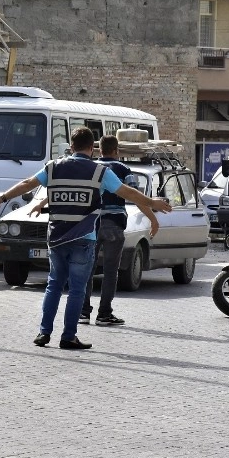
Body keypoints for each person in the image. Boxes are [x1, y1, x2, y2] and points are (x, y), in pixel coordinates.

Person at [0, 127, 172, 350]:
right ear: (92, 148)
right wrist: (153, 203)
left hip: (56, 237)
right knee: (77, 289)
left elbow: (27, 184)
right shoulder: (99, 172)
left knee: (53, 286)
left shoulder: (53, 167)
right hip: (83, 237)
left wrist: (0, 199)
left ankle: (44, 332)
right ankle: (68, 336)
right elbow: (126, 192)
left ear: (71, 147)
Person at [81, 135, 160, 326]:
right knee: (110, 271)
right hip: (114, 225)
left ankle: (82, 312)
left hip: (91, 224)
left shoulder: (91, 168)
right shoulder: (124, 170)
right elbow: (136, 198)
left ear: (99, 150)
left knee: (86, 270)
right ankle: (104, 314)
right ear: (116, 151)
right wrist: (153, 219)